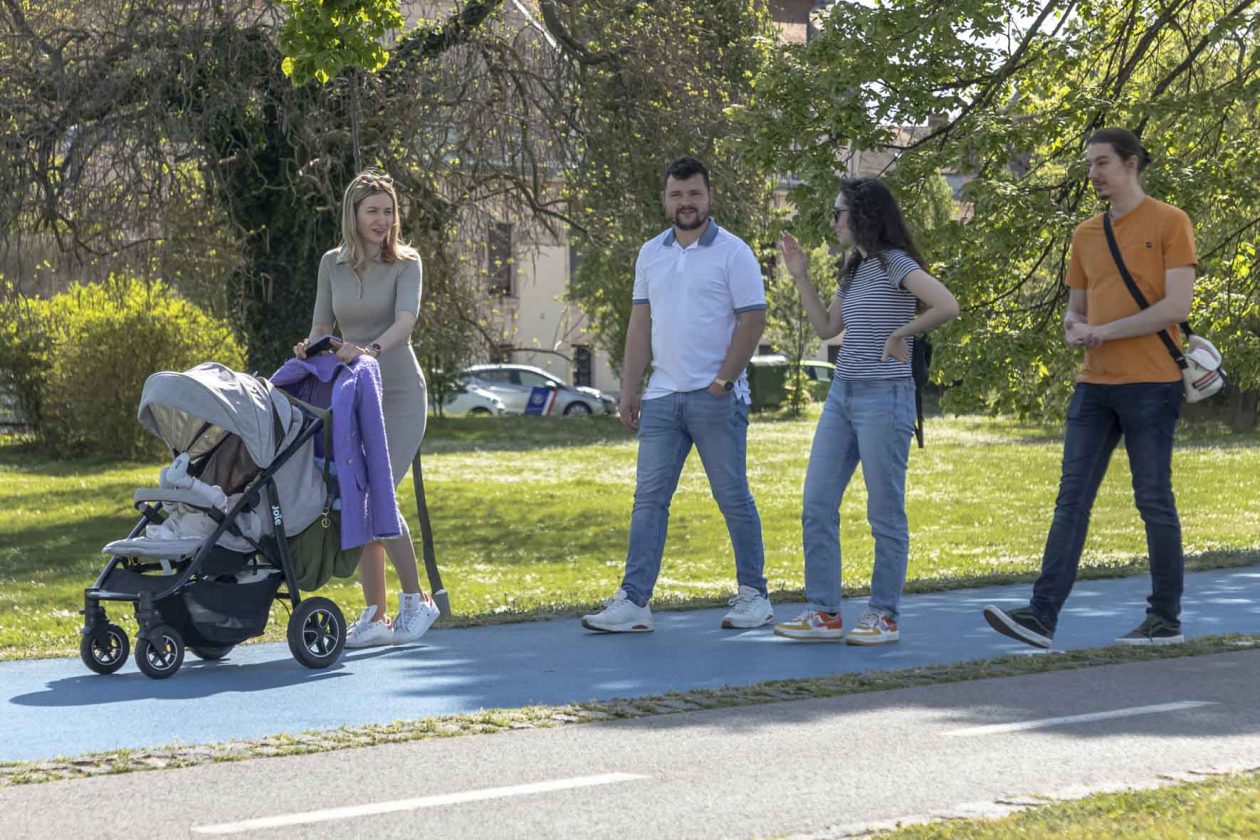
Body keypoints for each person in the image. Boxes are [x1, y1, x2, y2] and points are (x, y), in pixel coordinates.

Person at [984, 127, 1197, 648]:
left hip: (1152, 383)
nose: (1093, 173)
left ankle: (1164, 620)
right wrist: (1074, 328)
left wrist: (1103, 331)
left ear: (1131, 164)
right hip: (1094, 385)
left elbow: (1176, 308)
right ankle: (1041, 616)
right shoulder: (1084, 234)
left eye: (1102, 163)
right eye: (1089, 164)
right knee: (1071, 500)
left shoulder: (1171, 222)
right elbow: (1076, 307)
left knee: (1152, 499)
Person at [581, 157, 772, 633]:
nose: (686, 203)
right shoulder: (651, 253)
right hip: (663, 396)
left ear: (708, 197)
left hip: (717, 397)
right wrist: (629, 387)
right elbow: (640, 323)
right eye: (677, 195)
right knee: (648, 500)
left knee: (733, 497)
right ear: (665, 199)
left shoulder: (734, 252)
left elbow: (753, 320)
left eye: (694, 194)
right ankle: (634, 601)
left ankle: (754, 595)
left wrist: (723, 381)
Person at [773, 178, 958, 644]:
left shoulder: (896, 264)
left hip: (885, 398)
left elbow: (946, 303)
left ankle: (884, 616)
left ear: (863, 216)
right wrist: (799, 274)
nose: (833, 221)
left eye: (839, 213)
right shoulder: (854, 270)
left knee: (884, 513)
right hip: (843, 396)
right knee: (816, 502)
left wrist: (900, 335)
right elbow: (826, 326)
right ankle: (824, 613)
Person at [292, 171, 439, 648]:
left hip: (397, 395)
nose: (383, 219)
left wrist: (369, 349)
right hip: (352, 395)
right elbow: (321, 326)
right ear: (353, 215)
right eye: (373, 210)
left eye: (389, 210)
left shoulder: (406, 263)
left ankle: (418, 601)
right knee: (355, 498)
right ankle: (375, 614)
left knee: (378, 497)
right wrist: (309, 349)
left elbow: (407, 322)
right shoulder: (331, 264)